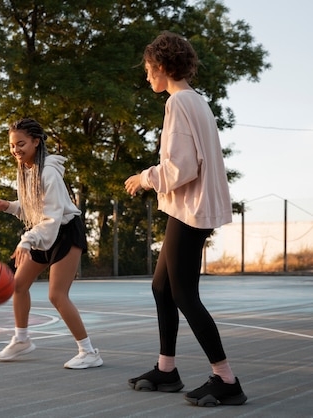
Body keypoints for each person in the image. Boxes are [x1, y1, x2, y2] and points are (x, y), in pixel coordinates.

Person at [124, 31, 247, 406]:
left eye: (148, 70)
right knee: (162, 288)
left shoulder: (178, 104)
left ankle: (226, 379)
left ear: (161, 67)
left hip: (190, 211)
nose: (147, 78)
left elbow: (181, 168)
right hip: (191, 208)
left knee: (183, 294)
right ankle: (166, 371)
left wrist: (144, 178)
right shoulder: (198, 102)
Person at [0, 117, 102, 369]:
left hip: (65, 233)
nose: (15, 150)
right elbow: (33, 210)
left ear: (36, 142)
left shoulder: (48, 173)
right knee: (18, 285)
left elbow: (51, 219)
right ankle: (22, 340)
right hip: (43, 232)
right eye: (12, 145)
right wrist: (11, 206)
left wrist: (26, 241)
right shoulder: (26, 171)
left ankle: (89, 351)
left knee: (57, 295)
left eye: (21, 144)